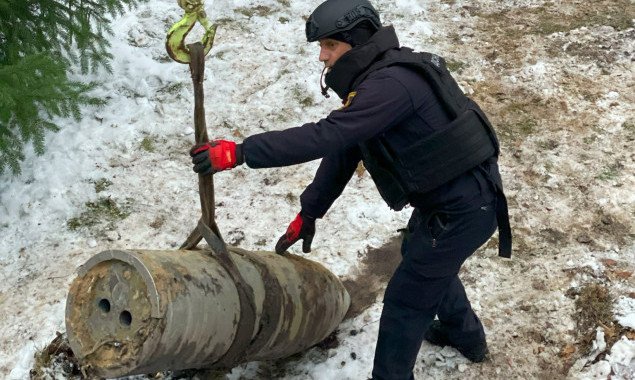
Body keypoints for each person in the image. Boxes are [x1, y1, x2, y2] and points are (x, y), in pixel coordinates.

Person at [189, 1, 512, 378]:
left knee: (406, 302)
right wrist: (309, 212)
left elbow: (327, 136)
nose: (322, 57)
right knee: (422, 258)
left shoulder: (390, 86)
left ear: (356, 41)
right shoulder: (379, 79)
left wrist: (242, 152)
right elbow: (346, 150)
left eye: (329, 46)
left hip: (465, 209)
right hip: (453, 201)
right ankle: (466, 336)